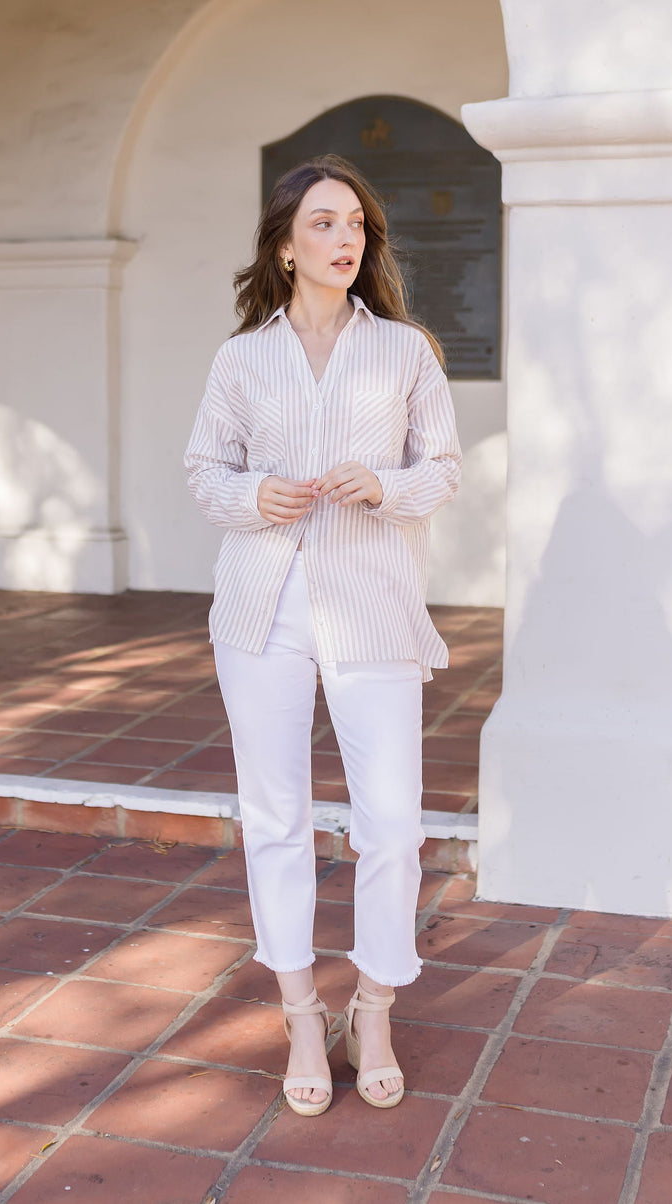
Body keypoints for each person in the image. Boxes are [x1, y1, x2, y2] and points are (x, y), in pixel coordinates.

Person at [184, 154, 462, 1116]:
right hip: (261, 605)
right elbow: (203, 472)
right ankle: (303, 1011)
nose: (346, 240)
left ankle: (375, 1004)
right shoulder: (241, 359)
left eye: (357, 226)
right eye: (324, 224)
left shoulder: (405, 351)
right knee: (276, 814)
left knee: (390, 818)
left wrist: (384, 486)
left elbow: (443, 467)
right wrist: (252, 494)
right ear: (285, 243)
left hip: (373, 602)